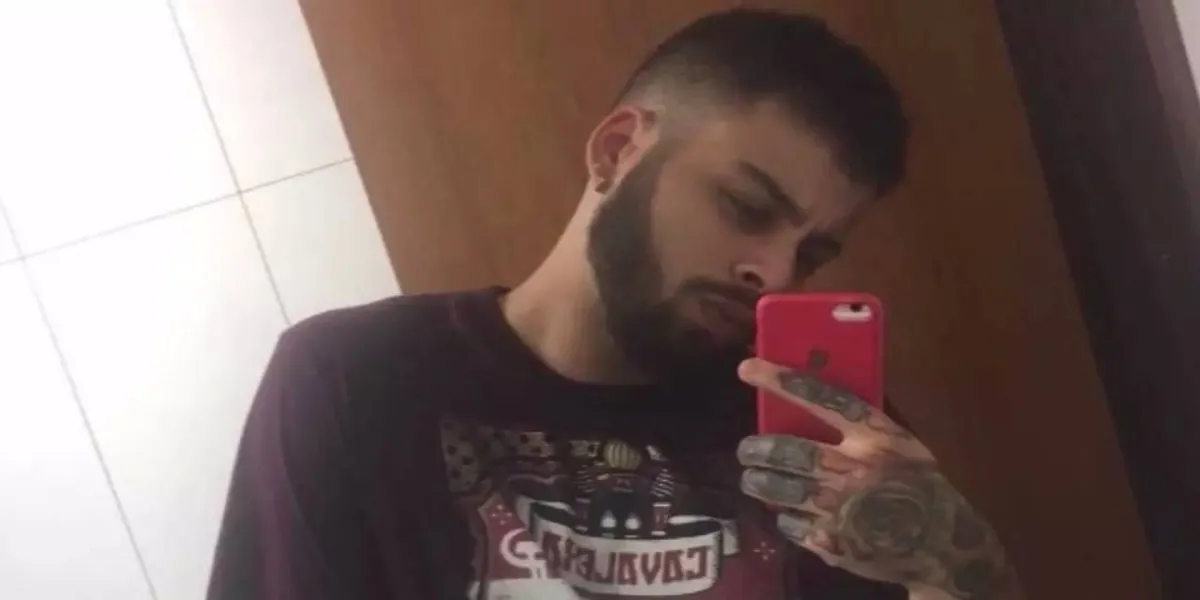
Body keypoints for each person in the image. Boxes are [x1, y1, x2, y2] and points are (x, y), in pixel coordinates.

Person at [208, 8, 1023, 600]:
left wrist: (952, 565)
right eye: (745, 206)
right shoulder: (360, 381)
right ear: (618, 149)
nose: (773, 272)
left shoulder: (827, 439)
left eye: (811, 254)